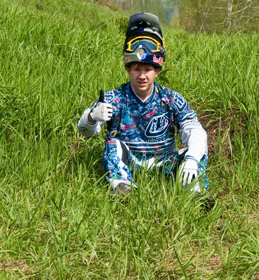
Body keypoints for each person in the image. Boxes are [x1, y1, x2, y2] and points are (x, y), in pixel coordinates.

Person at [77, 13, 208, 197]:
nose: (142, 76)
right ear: (128, 69)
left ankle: (193, 193)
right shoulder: (114, 98)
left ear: (157, 71)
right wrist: (92, 117)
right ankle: (123, 187)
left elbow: (195, 130)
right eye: (137, 69)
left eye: (147, 69)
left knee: (197, 150)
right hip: (129, 162)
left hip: (163, 162)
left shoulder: (171, 99)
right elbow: (84, 131)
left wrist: (192, 159)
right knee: (112, 144)